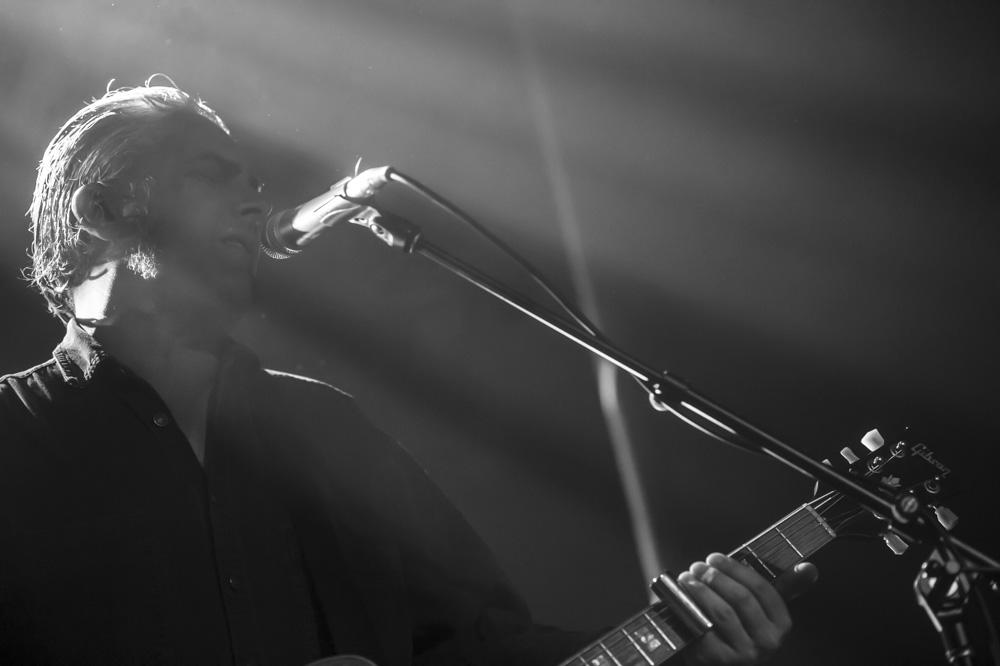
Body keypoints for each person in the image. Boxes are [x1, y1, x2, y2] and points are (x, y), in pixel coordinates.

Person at [0, 80, 817, 665]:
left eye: (254, 182)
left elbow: (485, 647)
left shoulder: (327, 431)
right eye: (213, 176)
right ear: (102, 211)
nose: (255, 202)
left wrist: (683, 654)